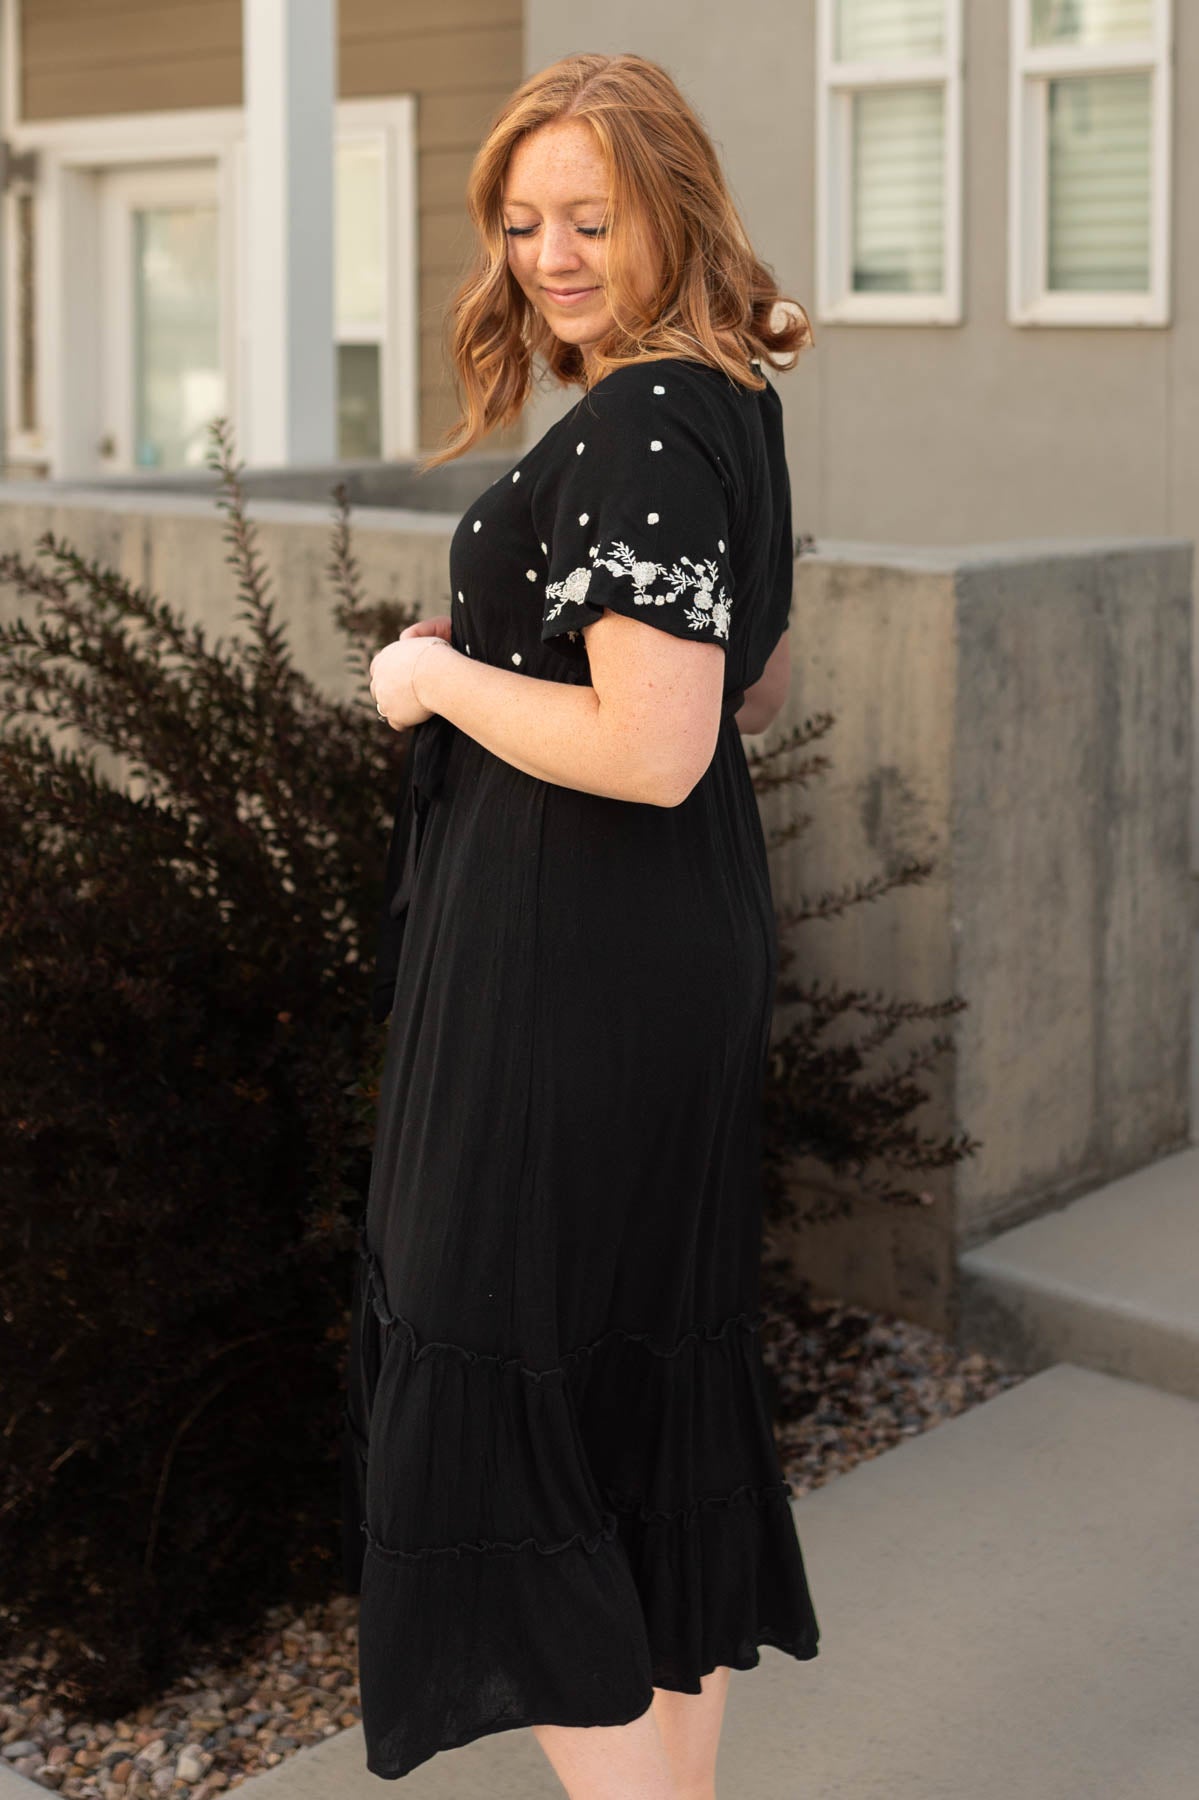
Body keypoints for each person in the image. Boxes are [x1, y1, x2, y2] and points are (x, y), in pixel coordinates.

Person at [347, 49, 821, 1796]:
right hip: (661, 949)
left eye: (588, 219)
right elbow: (754, 692)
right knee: (629, 1396)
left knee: (493, 1422)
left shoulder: (636, 421)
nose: (548, 254)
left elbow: (651, 742)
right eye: (524, 221)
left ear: (667, 213)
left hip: (572, 973)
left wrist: (435, 675)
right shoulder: (726, 403)